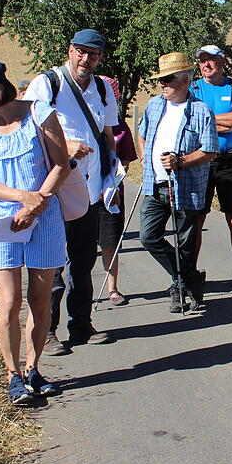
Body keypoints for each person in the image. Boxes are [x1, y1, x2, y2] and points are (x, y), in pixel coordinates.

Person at [0, 59, 71, 405]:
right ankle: (13, 377)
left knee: (39, 297)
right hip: (2, 221)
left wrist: (36, 205)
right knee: (8, 302)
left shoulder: (40, 114)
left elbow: (61, 164)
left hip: (44, 218)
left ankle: (34, 369)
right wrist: (21, 198)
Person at [23, 29, 118, 355]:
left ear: (100, 58)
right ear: (70, 50)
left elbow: (107, 134)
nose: (85, 59)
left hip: (90, 191)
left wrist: (112, 176)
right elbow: (29, 131)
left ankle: (81, 325)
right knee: (52, 263)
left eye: (92, 54)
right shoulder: (46, 83)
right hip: (55, 191)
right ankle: (46, 331)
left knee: (83, 261)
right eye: (80, 52)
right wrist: (64, 146)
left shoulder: (103, 87)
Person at [138, 53, 218, 313]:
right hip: (155, 185)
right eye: (160, 79)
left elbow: (210, 150)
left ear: (185, 80)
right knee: (148, 237)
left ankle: (179, 287)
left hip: (187, 187)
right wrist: (144, 159)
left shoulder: (200, 110)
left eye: (168, 79)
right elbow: (142, 134)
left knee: (186, 243)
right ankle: (189, 278)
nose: (162, 84)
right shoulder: (153, 105)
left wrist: (180, 161)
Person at [191, 45, 232, 289]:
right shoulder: (194, 87)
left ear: (222, 62)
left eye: (211, 60)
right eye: (202, 61)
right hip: (201, 159)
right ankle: (191, 272)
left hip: (228, 159)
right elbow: (192, 121)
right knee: (197, 217)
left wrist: (207, 120)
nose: (206, 65)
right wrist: (224, 122)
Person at [97, 76, 138, 306]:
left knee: (110, 242)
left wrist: (112, 182)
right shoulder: (84, 121)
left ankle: (112, 289)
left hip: (111, 193)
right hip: (80, 193)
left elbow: (126, 162)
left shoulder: (121, 126)